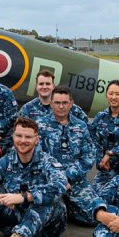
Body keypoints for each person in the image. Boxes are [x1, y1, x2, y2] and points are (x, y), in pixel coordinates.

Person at [37, 86, 98, 225]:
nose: (61, 106)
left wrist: (68, 176)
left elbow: (88, 157)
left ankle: (70, 207)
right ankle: (62, 207)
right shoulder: (40, 125)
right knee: (45, 217)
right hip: (48, 180)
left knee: (92, 217)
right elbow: (37, 156)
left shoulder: (81, 126)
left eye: (65, 103)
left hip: (74, 181)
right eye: (57, 103)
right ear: (51, 103)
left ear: (71, 104)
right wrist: (57, 178)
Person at [19, 69, 88, 123]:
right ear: (36, 86)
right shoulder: (27, 109)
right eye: (41, 84)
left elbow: (87, 129)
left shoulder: (72, 108)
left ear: (53, 86)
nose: (44, 86)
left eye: (48, 84)